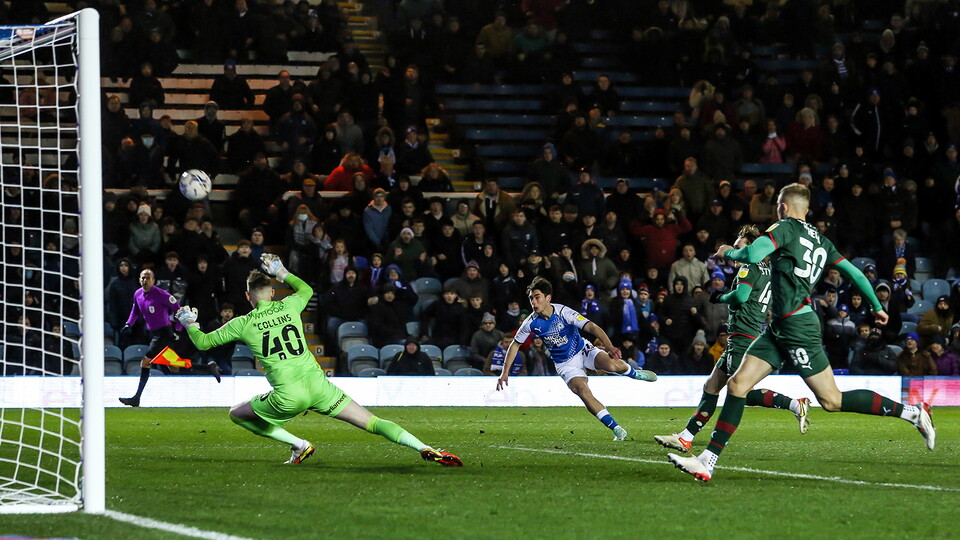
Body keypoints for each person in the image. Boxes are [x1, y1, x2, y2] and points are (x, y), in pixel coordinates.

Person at [668, 183, 935, 483]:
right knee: (738, 384)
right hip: (779, 326)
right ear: (806, 210)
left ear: (782, 206)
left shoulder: (783, 227)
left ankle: (912, 413)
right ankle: (707, 461)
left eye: (778, 206)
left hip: (797, 326)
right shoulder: (822, 241)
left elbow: (755, 253)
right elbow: (857, 273)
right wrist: (876, 306)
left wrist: (728, 251)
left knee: (832, 400)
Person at [178, 254, 460, 466]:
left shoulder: (242, 323)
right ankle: (427, 447)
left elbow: (203, 342)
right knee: (372, 422)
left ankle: (298, 444)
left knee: (236, 413)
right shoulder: (289, 305)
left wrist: (190, 322)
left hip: (288, 395)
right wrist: (283, 271)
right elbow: (308, 291)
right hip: (320, 385)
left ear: (246, 296)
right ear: (273, 293)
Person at [654, 225, 810, 454]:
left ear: (752, 248)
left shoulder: (749, 267)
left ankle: (796, 404)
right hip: (745, 334)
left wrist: (719, 297)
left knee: (741, 391)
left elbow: (741, 295)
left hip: (743, 336)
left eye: (739, 247)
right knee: (712, 385)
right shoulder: (768, 270)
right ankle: (686, 437)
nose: (735, 252)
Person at [495, 276, 657, 441]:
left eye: (537, 298)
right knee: (582, 391)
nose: (534, 303)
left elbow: (592, 326)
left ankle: (633, 373)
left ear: (548, 298)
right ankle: (616, 428)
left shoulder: (563, 312)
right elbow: (514, 345)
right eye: (531, 299)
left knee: (613, 366)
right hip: (565, 364)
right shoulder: (530, 323)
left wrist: (609, 347)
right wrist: (504, 372)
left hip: (582, 350)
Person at [119, 269, 220, 407]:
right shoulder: (138, 294)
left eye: (148, 278)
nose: (145, 280)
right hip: (155, 333)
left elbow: (179, 311)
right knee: (174, 367)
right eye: (143, 278)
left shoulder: (162, 295)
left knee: (145, 362)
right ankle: (207, 368)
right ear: (139, 279)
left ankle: (136, 398)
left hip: (164, 334)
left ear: (153, 280)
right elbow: (135, 310)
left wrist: (177, 330)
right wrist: (128, 324)